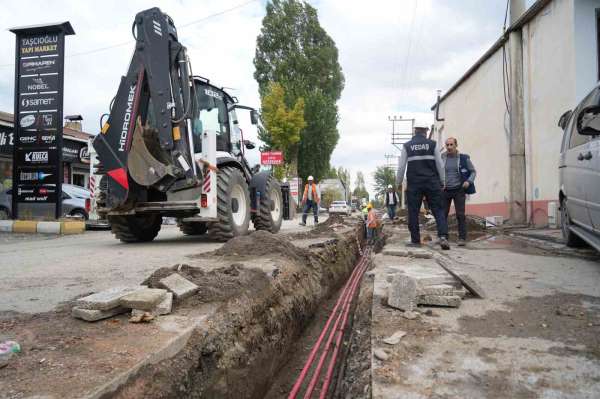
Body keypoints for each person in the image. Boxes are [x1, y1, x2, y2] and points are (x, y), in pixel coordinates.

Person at [395, 121, 450, 250]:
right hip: (432, 182)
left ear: (415, 131)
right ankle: (443, 237)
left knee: (413, 211)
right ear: (426, 131)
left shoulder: (407, 146)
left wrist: (398, 183)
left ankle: (415, 240)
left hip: (414, 184)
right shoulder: (433, 144)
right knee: (438, 210)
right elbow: (440, 165)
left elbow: (401, 167)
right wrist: (443, 181)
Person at [442, 137, 477, 246]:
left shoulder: (464, 158)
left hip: (459, 190)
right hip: (445, 190)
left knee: (460, 215)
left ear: (456, 145)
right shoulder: (442, 158)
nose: (449, 147)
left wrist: (468, 181)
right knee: (443, 214)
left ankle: (462, 238)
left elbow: (473, 172)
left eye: (451, 145)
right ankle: (443, 237)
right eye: (447, 145)